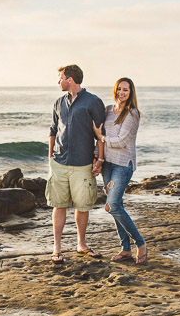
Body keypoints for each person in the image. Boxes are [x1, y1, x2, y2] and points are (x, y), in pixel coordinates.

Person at [47, 64, 106, 264]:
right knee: (59, 204)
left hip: (83, 163)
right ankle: (57, 248)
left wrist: (100, 159)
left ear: (70, 79)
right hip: (60, 162)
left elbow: (100, 134)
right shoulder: (58, 103)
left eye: (60, 77)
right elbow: (53, 130)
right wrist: (50, 157)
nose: (58, 81)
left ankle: (81, 244)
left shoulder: (93, 102)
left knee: (82, 205)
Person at [92, 77, 147, 265]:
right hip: (107, 164)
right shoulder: (108, 110)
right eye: (120, 89)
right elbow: (99, 136)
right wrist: (96, 157)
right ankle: (125, 249)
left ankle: (140, 243)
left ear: (131, 93)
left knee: (113, 205)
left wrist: (103, 138)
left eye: (126, 90)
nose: (122, 93)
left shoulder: (132, 114)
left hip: (123, 165)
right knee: (117, 206)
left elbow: (122, 141)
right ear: (115, 90)